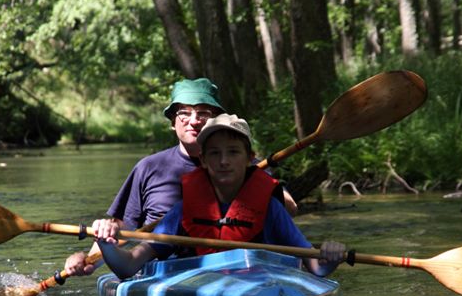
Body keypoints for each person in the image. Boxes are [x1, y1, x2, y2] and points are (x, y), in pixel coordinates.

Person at [65, 78, 297, 277]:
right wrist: (90, 259)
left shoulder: (246, 167)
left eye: (203, 113)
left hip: (239, 270)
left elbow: (288, 209)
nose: (194, 120)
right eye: (184, 113)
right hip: (165, 270)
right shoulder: (149, 167)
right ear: (173, 122)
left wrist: (250, 185)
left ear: (216, 118)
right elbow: (123, 228)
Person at [92, 113, 345, 280]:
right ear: (203, 161)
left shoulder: (270, 208)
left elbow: (315, 267)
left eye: (233, 152)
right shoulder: (183, 210)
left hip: (262, 290)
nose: (224, 161)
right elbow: (128, 266)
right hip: (200, 291)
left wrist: (330, 258)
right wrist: (106, 244)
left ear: (249, 159)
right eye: (214, 153)